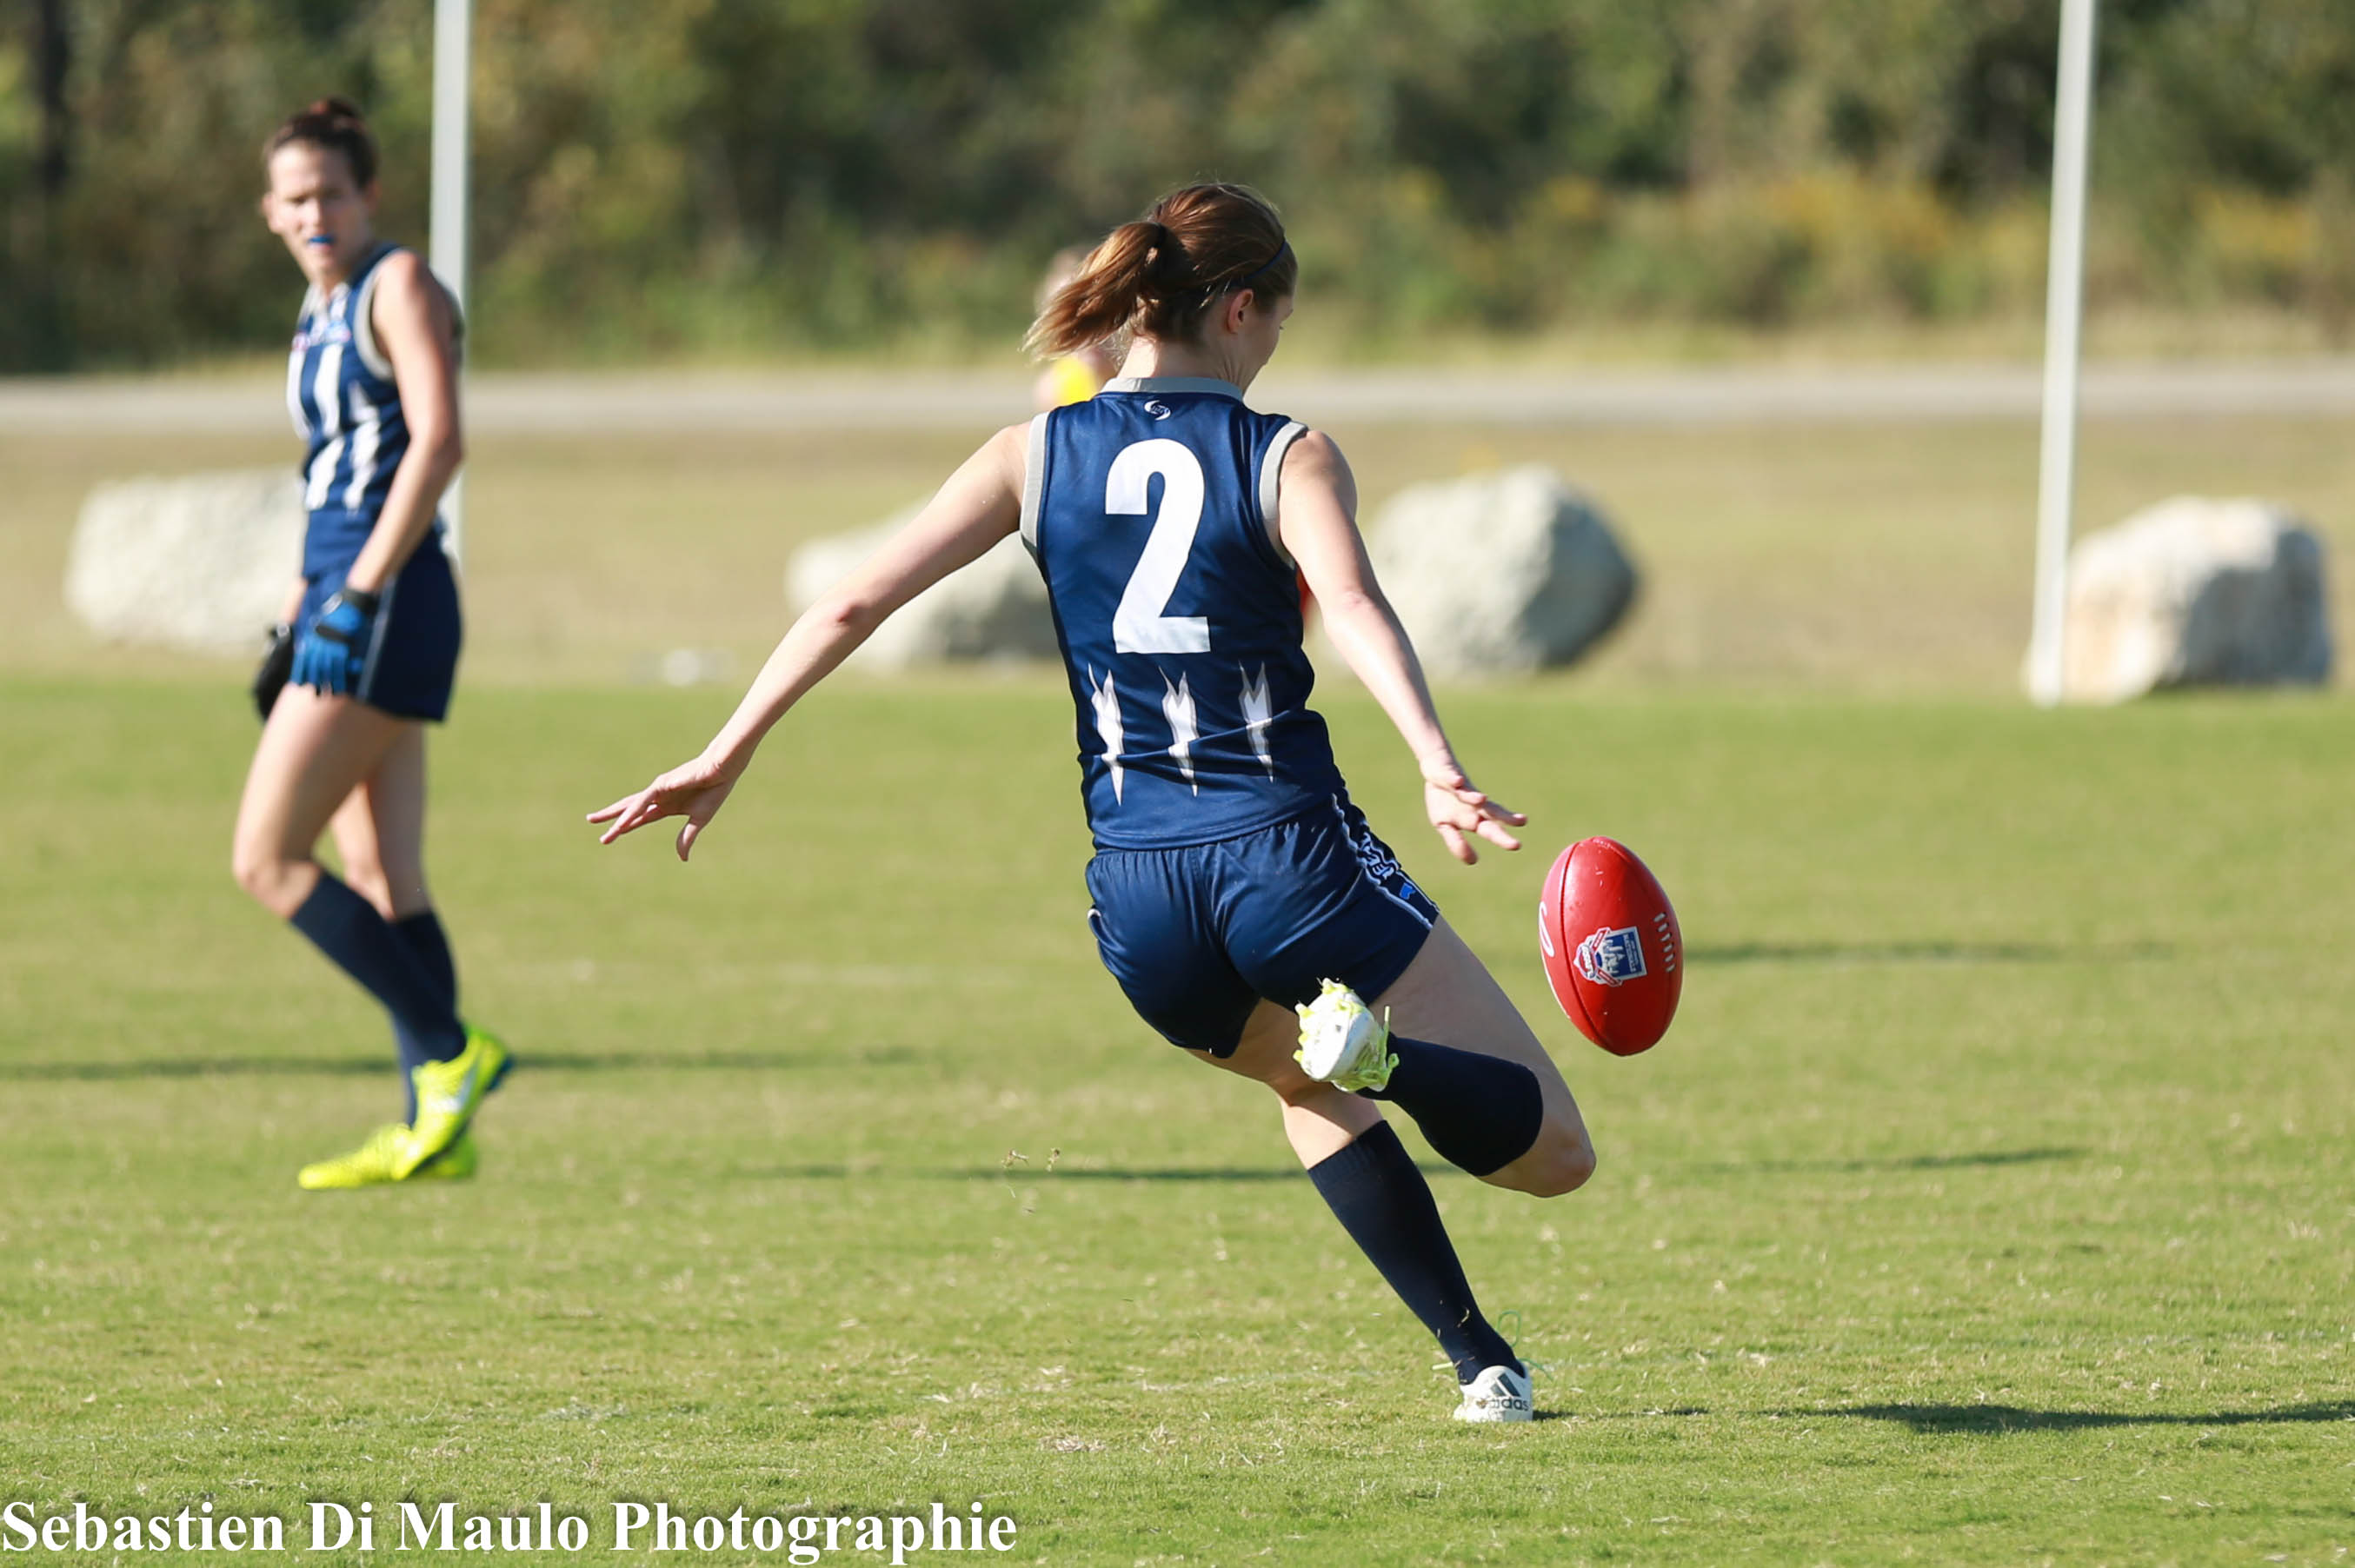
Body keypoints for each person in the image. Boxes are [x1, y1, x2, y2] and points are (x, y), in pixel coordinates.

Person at [590, 183, 1594, 1422]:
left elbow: (851, 600)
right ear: (1238, 309)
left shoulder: (1032, 451)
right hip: (1287, 858)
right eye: (1278, 321)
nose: (1275, 348)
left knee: (1303, 1086)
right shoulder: (1285, 450)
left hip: (1140, 899)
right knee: (1555, 1153)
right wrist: (1436, 759)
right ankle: (1384, 1057)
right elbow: (1352, 605)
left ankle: (1481, 1362)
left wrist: (725, 749)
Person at [232, 97, 509, 1189]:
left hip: (387, 598)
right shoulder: (320, 306)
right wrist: (304, 602)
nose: (315, 214)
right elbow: (332, 476)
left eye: (332, 195)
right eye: (296, 198)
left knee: (265, 860)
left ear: (369, 197)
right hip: (344, 595)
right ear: (270, 210)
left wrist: (352, 595)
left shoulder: (396, 284)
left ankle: (449, 1051)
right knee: (381, 872)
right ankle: (433, 1128)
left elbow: (439, 443)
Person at [1030, 246, 1121, 410]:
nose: (1082, 324)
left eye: (1097, 306)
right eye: (1065, 315)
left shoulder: (1157, 375)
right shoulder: (1056, 389)